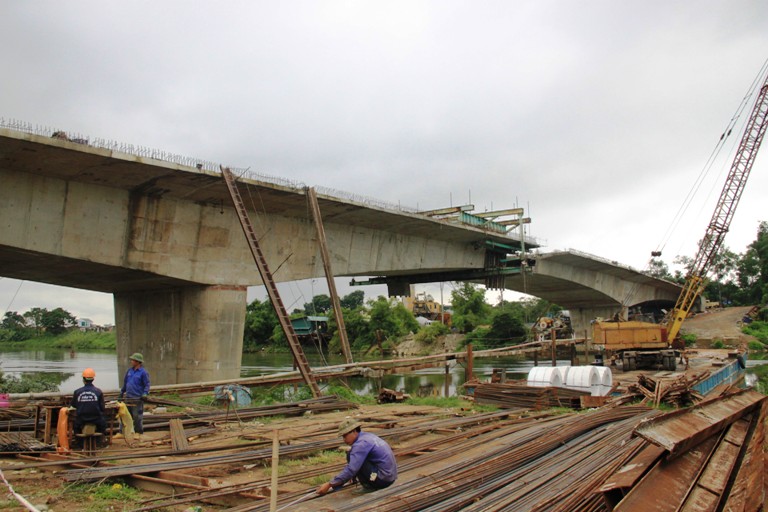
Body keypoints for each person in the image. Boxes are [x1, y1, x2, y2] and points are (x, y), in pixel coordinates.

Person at [317, 419, 397, 495]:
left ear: (354, 431)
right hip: (389, 477)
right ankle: (370, 482)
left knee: (355, 461)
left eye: (345, 436)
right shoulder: (368, 436)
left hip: (381, 480)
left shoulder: (360, 444)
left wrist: (329, 484)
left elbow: (352, 469)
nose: (344, 440)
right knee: (353, 456)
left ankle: (369, 486)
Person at [119, 352, 150, 435]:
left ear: (138, 362)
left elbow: (147, 384)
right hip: (128, 397)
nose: (131, 361)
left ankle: (138, 433)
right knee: (124, 415)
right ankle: (122, 432)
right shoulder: (129, 371)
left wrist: (145, 393)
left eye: (133, 360)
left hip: (137, 398)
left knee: (137, 417)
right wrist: (122, 392)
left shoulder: (143, 372)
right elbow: (125, 383)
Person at [72, 368, 106, 439]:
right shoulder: (98, 392)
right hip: (96, 418)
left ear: (83, 379)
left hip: (81, 418)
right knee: (103, 425)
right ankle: (99, 441)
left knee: (75, 428)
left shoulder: (77, 392)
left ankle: (80, 442)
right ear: (93, 379)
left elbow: (73, 405)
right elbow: (102, 408)